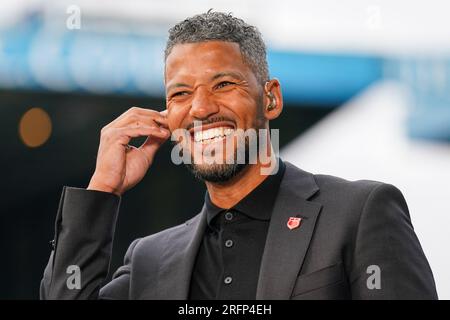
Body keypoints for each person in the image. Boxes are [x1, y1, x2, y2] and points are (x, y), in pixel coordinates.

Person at [40, 11, 438, 300]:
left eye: (223, 84)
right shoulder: (150, 260)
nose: (200, 108)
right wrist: (102, 189)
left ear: (271, 98)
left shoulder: (358, 212)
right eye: (180, 94)